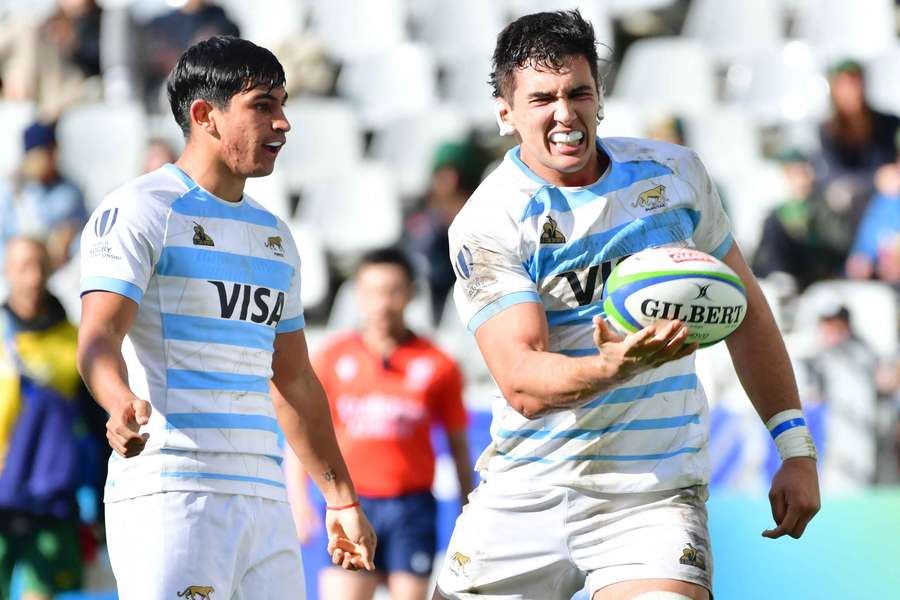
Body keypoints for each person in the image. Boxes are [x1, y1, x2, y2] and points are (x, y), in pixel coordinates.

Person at [433, 11, 820, 600]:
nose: (565, 114)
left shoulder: (675, 176)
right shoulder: (490, 221)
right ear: (505, 112)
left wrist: (795, 448)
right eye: (542, 99)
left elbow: (748, 315)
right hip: (527, 489)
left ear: (600, 97)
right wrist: (614, 367)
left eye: (578, 92)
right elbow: (522, 380)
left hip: (652, 493)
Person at [75, 35, 376, 600]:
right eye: (263, 105)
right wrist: (118, 402)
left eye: (283, 104)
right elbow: (99, 336)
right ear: (204, 115)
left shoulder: (274, 236)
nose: (284, 122)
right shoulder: (141, 210)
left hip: (264, 496)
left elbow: (294, 380)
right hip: (172, 489)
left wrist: (340, 497)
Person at [287, 247, 473, 600]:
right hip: (352, 501)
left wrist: (468, 509)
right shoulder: (332, 358)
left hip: (412, 508)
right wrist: (299, 501)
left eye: (393, 291)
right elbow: (305, 433)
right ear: (357, 294)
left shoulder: (438, 364)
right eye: (372, 292)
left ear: (410, 294)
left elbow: (458, 444)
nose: (382, 303)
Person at [0, 237, 106, 600]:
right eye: (22, 267)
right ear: (7, 271)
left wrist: (102, 510)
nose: (32, 278)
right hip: (1, 490)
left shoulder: (76, 342)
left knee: (40, 592)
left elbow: (96, 428)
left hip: (50, 500)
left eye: (38, 266)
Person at [405, 140, 491, 324]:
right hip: (426, 294)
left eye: (456, 174)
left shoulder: (481, 216)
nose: (449, 182)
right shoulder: (421, 217)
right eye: (442, 173)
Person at [752, 150, 851, 292]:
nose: (799, 179)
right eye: (792, 174)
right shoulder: (779, 211)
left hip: (818, 269)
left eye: (802, 173)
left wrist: (812, 225)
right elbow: (762, 255)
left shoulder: (824, 204)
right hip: (787, 273)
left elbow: (840, 243)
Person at [0, 121, 87, 271]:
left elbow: (84, 240)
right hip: (16, 272)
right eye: (38, 155)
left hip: (61, 272)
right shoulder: (11, 189)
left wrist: (68, 241)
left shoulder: (70, 192)